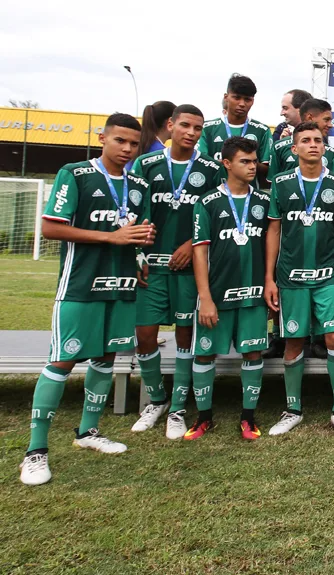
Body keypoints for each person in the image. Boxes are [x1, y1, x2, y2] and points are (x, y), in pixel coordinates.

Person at [19, 113, 154, 486]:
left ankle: (88, 432)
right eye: (120, 141)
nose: (127, 149)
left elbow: (138, 233)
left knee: (106, 357)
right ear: (103, 139)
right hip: (81, 286)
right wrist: (111, 237)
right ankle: (35, 451)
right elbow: (50, 227)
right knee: (62, 361)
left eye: (132, 143)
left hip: (123, 285)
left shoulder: (138, 184)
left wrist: (142, 253)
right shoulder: (75, 174)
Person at [129, 104, 221, 438]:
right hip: (152, 266)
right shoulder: (146, 163)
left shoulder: (210, 168)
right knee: (145, 334)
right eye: (185, 126)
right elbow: (134, 212)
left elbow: (217, 212)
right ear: (171, 125)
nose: (191, 133)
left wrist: (191, 243)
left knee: (186, 334)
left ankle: (179, 407)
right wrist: (137, 256)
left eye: (197, 128)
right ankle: (156, 400)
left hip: (188, 266)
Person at [263, 122, 334, 438]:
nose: (313, 145)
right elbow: (274, 229)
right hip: (290, 276)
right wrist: (270, 277)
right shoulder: (281, 183)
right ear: (295, 148)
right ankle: (292, 409)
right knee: (292, 340)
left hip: (329, 274)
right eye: (305, 140)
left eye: (318, 140)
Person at [186, 137, 272, 439]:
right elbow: (199, 252)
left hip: (253, 296)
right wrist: (205, 298)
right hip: (217, 298)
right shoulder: (207, 202)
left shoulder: (264, 202)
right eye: (244, 161)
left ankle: (248, 417)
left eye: (254, 161)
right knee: (205, 355)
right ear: (226, 163)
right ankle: (203, 417)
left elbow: (270, 248)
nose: (252, 166)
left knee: (253, 354)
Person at [197, 74, 273, 182]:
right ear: (226, 97)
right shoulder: (207, 128)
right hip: (214, 193)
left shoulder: (262, 130)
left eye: (247, 99)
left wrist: (244, 161)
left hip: (248, 195)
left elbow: (267, 169)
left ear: (253, 101)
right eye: (237, 98)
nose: (242, 104)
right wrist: (231, 162)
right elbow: (200, 163)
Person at [269, 98, 334, 178]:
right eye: (326, 120)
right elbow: (272, 183)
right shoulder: (279, 147)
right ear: (310, 118)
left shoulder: (332, 152)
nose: (330, 125)